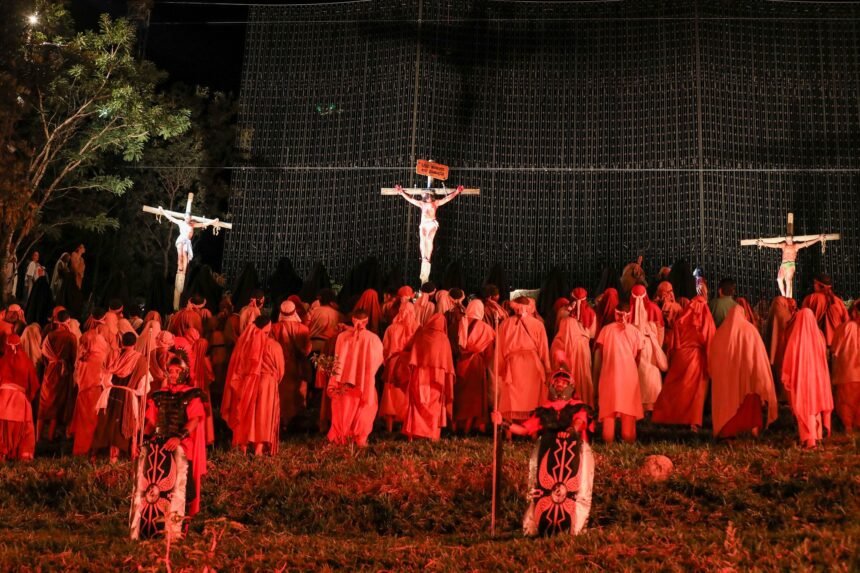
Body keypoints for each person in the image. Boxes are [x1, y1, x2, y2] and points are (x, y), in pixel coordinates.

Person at [491, 370, 594, 537]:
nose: (560, 385)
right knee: (542, 491)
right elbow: (524, 429)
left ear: (570, 386)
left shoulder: (578, 407)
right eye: (557, 382)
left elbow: (579, 421)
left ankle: (575, 528)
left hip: (574, 456)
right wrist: (502, 422)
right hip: (550, 456)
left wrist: (572, 430)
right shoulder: (545, 410)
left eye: (563, 382)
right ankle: (536, 525)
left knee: (577, 491)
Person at [132, 356, 206, 539]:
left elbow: (194, 420)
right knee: (155, 489)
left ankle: (180, 528)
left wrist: (179, 437)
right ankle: (152, 528)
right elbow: (151, 423)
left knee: (183, 489)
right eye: (170, 371)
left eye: (177, 371)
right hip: (158, 448)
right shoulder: (159, 396)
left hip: (182, 448)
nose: (173, 374)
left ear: (184, 373)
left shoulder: (192, 395)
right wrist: (142, 442)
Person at [708, 307, 778, 439]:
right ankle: (752, 429)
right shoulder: (750, 330)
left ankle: (727, 431)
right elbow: (758, 355)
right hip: (747, 376)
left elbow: (713, 357)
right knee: (749, 398)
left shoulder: (721, 332)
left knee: (728, 401)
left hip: (727, 379)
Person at [652, 296, 715, 431]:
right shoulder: (705, 319)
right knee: (695, 392)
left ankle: (667, 416)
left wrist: (673, 357)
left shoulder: (682, 319)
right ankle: (693, 422)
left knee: (676, 388)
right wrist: (711, 363)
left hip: (681, 356)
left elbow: (674, 342)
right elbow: (710, 340)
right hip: (696, 358)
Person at [223, 316, 284, 456]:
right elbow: (280, 370)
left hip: (248, 383)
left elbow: (238, 367)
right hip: (268, 382)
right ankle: (258, 449)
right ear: (268, 327)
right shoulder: (274, 345)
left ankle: (243, 446)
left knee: (247, 413)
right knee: (263, 414)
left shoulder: (245, 344)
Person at [327, 310, 384, 446]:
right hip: (364, 383)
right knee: (365, 409)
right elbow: (379, 359)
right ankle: (359, 438)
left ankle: (341, 438)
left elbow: (338, 358)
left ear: (352, 320)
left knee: (344, 411)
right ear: (367, 321)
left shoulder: (342, 337)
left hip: (344, 382)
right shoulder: (373, 338)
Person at [92, 332, 149, 463]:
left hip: (111, 393)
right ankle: (114, 456)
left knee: (108, 421)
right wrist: (138, 393)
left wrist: (107, 386)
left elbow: (104, 374)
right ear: (135, 343)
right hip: (127, 395)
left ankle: (97, 453)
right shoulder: (140, 360)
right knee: (119, 425)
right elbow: (144, 384)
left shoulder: (114, 355)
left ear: (122, 342)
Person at [781, 308, 833, 448]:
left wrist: (787, 376)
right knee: (815, 405)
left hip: (802, 380)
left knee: (805, 407)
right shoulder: (819, 336)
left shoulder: (795, 338)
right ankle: (817, 435)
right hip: (817, 379)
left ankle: (810, 440)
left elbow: (789, 360)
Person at [497, 297, 551, 427]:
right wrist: (547, 368)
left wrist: (500, 368)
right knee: (531, 398)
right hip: (532, 364)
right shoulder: (538, 324)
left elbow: (499, 349)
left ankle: (510, 430)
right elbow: (543, 349)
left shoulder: (505, 324)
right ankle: (531, 430)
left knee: (513, 398)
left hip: (514, 364)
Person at [593, 305, 644, 443]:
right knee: (628, 407)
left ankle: (608, 440)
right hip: (629, 374)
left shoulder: (606, 330)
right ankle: (629, 439)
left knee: (609, 408)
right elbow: (638, 356)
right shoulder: (635, 331)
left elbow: (601, 353)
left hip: (609, 372)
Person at [395, 184, 464, 283]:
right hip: (424, 224)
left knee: (429, 239)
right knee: (423, 239)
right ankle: (424, 257)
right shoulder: (422, 204)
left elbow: (447, 199)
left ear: (430, 195)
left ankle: (428, 257)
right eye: (424, 194)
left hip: (431, 224)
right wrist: (401, 192)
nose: (425, 195)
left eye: (427, 194)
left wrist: (456, 192)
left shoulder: (435, 203)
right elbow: (410, 200)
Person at [403, 314, 455, 441]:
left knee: (418, 403)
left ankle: (414, 433)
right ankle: (432, 434)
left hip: (420, 374)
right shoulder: (443, 339)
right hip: (437, 378)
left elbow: (410, 350)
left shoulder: (420, 334)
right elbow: (447, 364)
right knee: (434, 405)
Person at [68, 308, 112, 456]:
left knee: (83, 419)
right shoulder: (100, 358)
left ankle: (79, 448)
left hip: (83, 390)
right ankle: (90, 448)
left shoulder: (83, 357)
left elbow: (77, 373)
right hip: (95, 390)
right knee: (93, 420)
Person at [452, 300, 495, 434]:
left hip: (460, 363)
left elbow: (452, 345)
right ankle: (467, 428)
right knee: (474, 398)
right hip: (476, 364)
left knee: (459, 395)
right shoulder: (486, 329)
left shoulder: (458, 324)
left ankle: (455, 426)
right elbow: (489, 353)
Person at [37, 310, 78, 442]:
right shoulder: (71, 337)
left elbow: (43, 355)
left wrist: (49, 364)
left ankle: (38, 437)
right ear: (67, 322)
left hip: (50, 370)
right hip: (62, 373)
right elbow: (74, 357)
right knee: (56, 403)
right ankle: (50, 437)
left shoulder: (49, 335)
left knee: (44, 402)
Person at [271, 300, 312, 431]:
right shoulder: (303, 329)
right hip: (298, 366)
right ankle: (298, 423)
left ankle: (283, 422)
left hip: (281, 367)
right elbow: (307, 349)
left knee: (282, 394)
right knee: (299, 392)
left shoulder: (274, 328)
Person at [380, 295, 418, 432]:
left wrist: (387, 362)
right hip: (410, 363)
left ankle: (389, 427)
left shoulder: (391, 328)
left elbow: (385, 348)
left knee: (390, 393)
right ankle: (406, 425)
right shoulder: (417, 328)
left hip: (394, 362)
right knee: (407, 392)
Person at [0, 334, 39, 461]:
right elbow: (33, 384)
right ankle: (23, 454)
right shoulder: (26, 361)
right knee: (26, 427)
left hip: (3, 401)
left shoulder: (2, 361)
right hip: (19, 402)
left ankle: (3, 453)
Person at [630, 285, 668, 414]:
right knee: (651, 373)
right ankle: (652, 404)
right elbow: (660, 328)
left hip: (635, 345)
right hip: (650, 345)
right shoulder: (653, 308)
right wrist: (658, 345)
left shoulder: (630, 308)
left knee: (640, 374)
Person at [755, 233, 825, 299]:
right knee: (779, 279)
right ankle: (784, 296)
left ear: (792, 239)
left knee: (788, 280)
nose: (788, 241)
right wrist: (764, 244)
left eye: (790, 240)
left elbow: (806, 244)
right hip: (783, 264)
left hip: (791, 264)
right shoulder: (784, 245)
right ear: (785, 240)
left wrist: (818, 239)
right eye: (787, 240)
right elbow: (774, 245)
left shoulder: (795, 246)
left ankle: (787, 298)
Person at [157, 206, 220, 276]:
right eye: (186, 218)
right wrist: (162, 210)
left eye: (189, 218)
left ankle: (183, 272)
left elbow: (203, 224)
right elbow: (171, 218)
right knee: (180, 255)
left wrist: (214, 221)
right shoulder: (181, 222)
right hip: (181, 239)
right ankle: (179, 265)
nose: (187, 219)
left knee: (185, 255)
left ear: (190, 218)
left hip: (187, 241)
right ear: (184, 217)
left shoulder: (192, 224)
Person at [550, 311, 594, 408]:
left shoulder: (557, 343)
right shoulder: (583, 341)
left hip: (564, 381)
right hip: (579, 378)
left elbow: (557, 360)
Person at [831, 305, 860, 432]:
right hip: (855, 373)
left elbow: (835, 351)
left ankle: (848, 428)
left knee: (845, 402)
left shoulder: (844, 327)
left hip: (845, 373)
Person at [801, 274, 849, 348]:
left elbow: (803, 320)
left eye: (815, 283)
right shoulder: (838, 301)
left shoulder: (810, 299)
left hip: (816, 343)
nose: (813, 286)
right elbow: (846, 322)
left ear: (820, 285)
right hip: (836, 344)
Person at [307, 288, 343, 353]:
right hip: (331, 348)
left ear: (320, 300)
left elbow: (305, 328)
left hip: (313, 346)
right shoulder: (339, 315)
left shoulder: (313, 312)